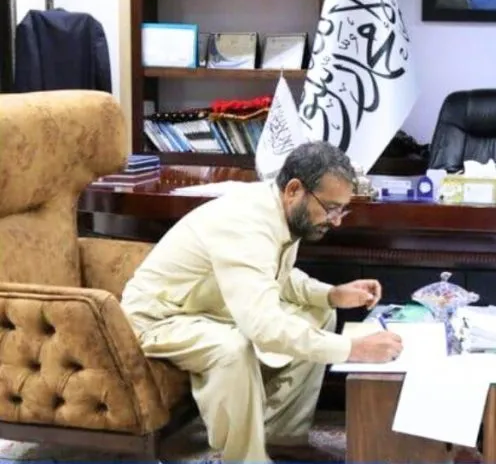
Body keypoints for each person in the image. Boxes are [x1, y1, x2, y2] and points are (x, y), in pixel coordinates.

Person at [120, 142, 403, 463]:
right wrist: (353, 349)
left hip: (212, 309)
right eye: (331, 208)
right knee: (233, 347)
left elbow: (274, 275)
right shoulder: (246, 224)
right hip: (161, 319)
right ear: (294, 190)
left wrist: (330, 294)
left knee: (319, 313)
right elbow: (264, 328)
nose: (336, 221)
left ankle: (283, 437)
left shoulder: (280, 210)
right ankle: (244, 458)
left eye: (342, 210)